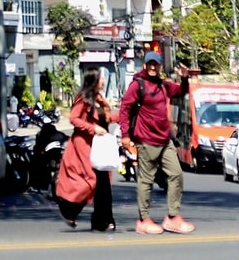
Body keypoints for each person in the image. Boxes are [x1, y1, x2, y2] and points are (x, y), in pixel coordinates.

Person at [121, 51, 194, 235]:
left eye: (156, 64)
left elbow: (180, 91)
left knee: (176, 175)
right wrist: (125, 136)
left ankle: (172, 217)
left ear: (160, 66)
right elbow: (125, 109)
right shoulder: (138, 85)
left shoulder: (162, 85)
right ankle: (143, 220)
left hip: (165, 140)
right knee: (146, 181)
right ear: (145, 65)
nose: (153, 67)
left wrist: (184, 79)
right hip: (146, 140)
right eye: (150, 64)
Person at [53, 71, 116, 232]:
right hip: (84, 146)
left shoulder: (99, 99)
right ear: (94, 80)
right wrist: (92, 128)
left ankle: (104, 220)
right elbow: (74, 119)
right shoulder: (84, 98)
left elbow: (106, 118)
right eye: (102, 78)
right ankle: (68, 209)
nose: (103, 81)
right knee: (90, 182)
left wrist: (123, 115)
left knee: (104, 184)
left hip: (99, 146)